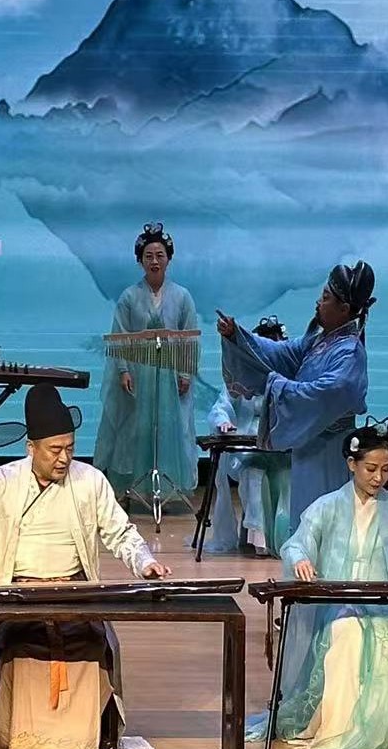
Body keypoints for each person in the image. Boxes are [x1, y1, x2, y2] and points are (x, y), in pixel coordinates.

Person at [0, 384, 171, 749]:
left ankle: (81, 745)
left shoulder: (90, 481)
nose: (64, 458)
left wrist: (145, 562)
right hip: (19, 593)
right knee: (21, 649)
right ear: (31, 447)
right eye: (54, 450)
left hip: (74, 591)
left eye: (70, 448)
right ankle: (20, 743)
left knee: (90, 646)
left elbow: (120, 533)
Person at [246, 419, 388, 749]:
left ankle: (381, 725)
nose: (378, 477)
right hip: (338, 606)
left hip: (383, 606)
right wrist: (300, 558)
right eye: (371, 468)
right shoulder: (327, 506)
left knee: (384, 634)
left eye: (386, 469)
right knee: (348, 633)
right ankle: (339, 727)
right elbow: (297, 542)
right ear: (351, 464)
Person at [219, 261, 373, 533]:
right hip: (307, 449)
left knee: (325, 525)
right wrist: (238, 336)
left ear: (344, 309)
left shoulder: (349, 353)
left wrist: (277, 386)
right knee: (304, 523)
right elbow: (282, 354)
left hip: (328, 452)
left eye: (326, 298)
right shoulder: (319, 341)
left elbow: (327, 393)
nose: (319, 303)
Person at [94, 222, 199, 507]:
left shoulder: (182, 296)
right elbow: (120, 335)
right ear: (140, 260)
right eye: (148, 256)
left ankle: (166, 488)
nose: (154, 261)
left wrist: (185, 372)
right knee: (134, 428)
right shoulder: (129, 296)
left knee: (169, 427)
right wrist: (123, 370)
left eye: (160, 255)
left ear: (169, 259)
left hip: (169, 376)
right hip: (138, 374)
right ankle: (132, 486)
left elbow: (189, 336)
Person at [203, 316, 291, 555]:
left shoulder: (288, 378)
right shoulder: (241, 376)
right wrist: (223, 421)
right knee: (254, 472)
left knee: (286, 474)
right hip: (247, 446)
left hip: (279, 445)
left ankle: (284, 536)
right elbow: (222, 406)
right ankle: (259, 539)